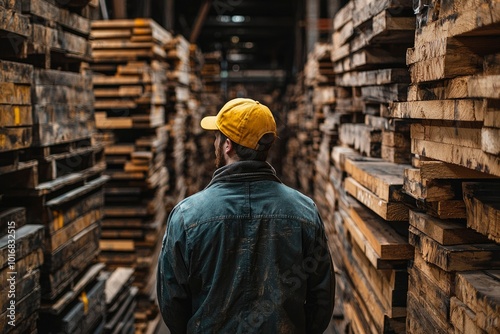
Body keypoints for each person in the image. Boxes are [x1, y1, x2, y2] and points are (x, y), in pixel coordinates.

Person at [157, 98, 335, 333]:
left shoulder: (186, 217)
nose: (215, 143)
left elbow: (172, 303)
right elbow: (321, 299)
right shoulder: (304, 212)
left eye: (217, 137)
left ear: (227, 145)